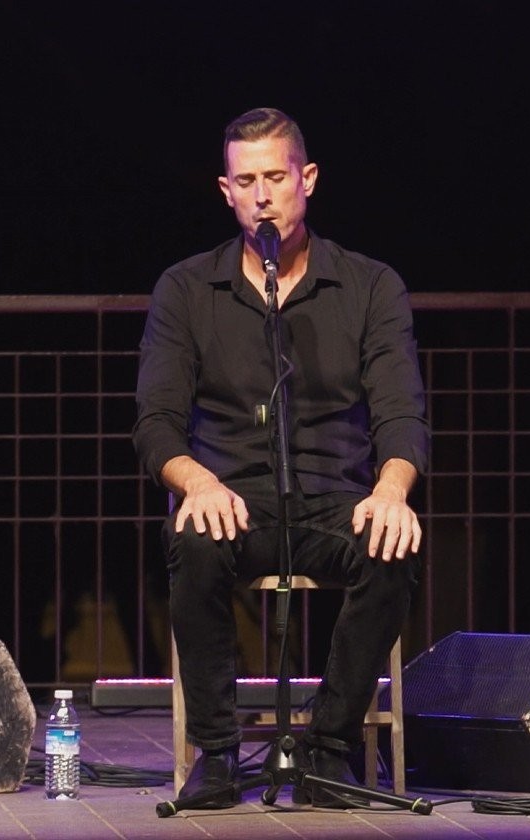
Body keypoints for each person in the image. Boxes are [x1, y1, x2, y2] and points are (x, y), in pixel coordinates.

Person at [134, 107, 429, 809]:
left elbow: (401, 412)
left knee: (394, 547)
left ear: (308, 179)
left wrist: (391, 490)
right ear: (226, 191)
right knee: (195, 543)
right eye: (246, 181)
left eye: (276, 177)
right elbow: (156, 423)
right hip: (232, 498)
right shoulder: (185, 288)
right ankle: (217, 753)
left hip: (334, 496)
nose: (262, 195)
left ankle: (329, 746)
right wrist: (196, 483)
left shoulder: (370, 285)